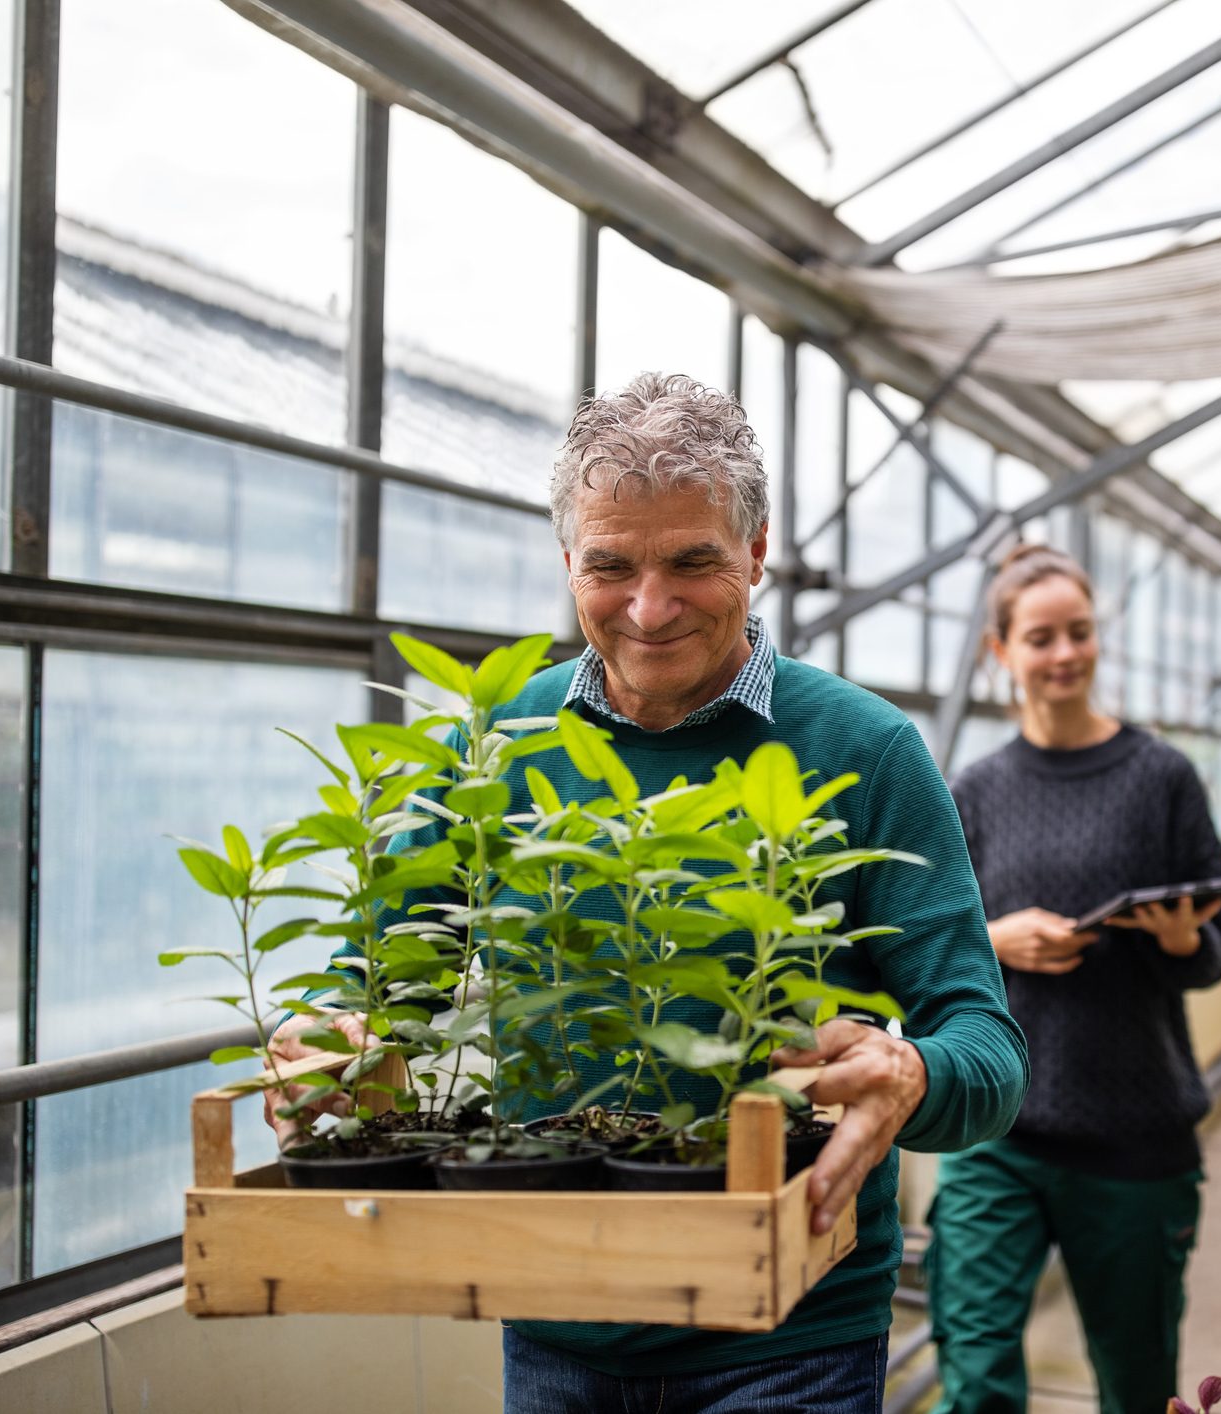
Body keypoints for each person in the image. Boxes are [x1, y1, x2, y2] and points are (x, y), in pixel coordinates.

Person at [265, 373, 1029, 1413]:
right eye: (611, 565)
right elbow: (383, 984)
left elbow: (988, 1053)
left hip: (788, 1334)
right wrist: (336, 1042)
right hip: (554, 1319)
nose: (649, 607)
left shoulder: (866, 748)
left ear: (757, 553)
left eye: (693, 562)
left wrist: (908, 1071)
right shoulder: (501, 747)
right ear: (568, 560)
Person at [927, 543, 1221, 1414]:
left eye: (1079, 632)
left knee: (1135, 1384)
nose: (1063, 653)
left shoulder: (1160, 777)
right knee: (976, 1375)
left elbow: (1217, 955)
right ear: (1002, 653)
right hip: (996, 1132)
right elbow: (932, 949)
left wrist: (1179, 940)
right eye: (1040, 637)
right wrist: (998, 940)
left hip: (1134, 1136)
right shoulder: (973, 791)